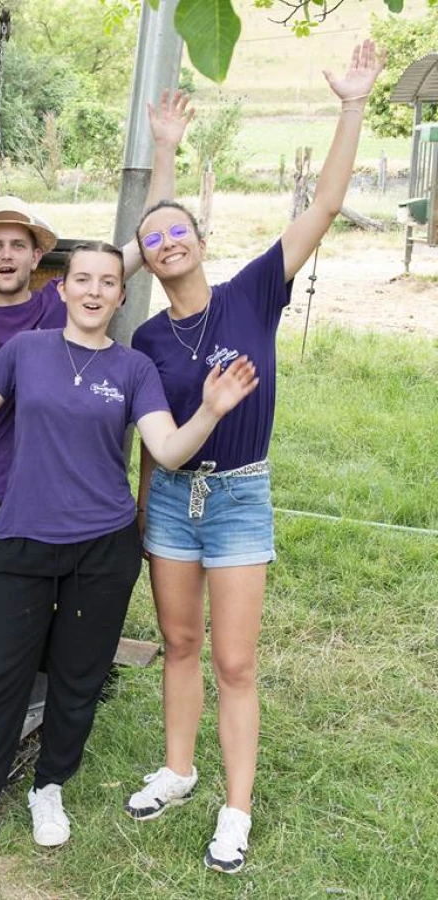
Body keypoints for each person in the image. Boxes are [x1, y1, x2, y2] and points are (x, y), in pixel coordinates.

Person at [0, 242, 258, 861]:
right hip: (24, 539)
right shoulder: (25, 352)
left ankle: (48, 788)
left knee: (77, 681)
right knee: (0, 677)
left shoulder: (134, 369)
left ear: (121, 295)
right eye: (83, 279)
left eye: (108, 282)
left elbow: (167, 449)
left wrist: (210, 412)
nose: (94, 291)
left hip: (102, 550)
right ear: (63, 289)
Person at [124, 40, 384, 874]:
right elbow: (152, 441)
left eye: (179, 231)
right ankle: (177, 768)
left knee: (235, 660)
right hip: (171, 499)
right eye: (154, 238)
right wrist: (160, 150)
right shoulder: (147, 336)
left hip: (239, 497)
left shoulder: (253, 292)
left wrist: (351, 106)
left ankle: (235, 808)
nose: (168, 241)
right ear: (148, 257)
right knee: (179, 641)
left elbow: (327, 208)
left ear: (203, 238)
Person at [0, 90, 194, 808]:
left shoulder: (59, 307)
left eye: (20, 245)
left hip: (56, 504)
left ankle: (33, 753)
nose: (7, 256)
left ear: (43, 262)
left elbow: (138, 247)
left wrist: (163, 153)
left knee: (42, 645)